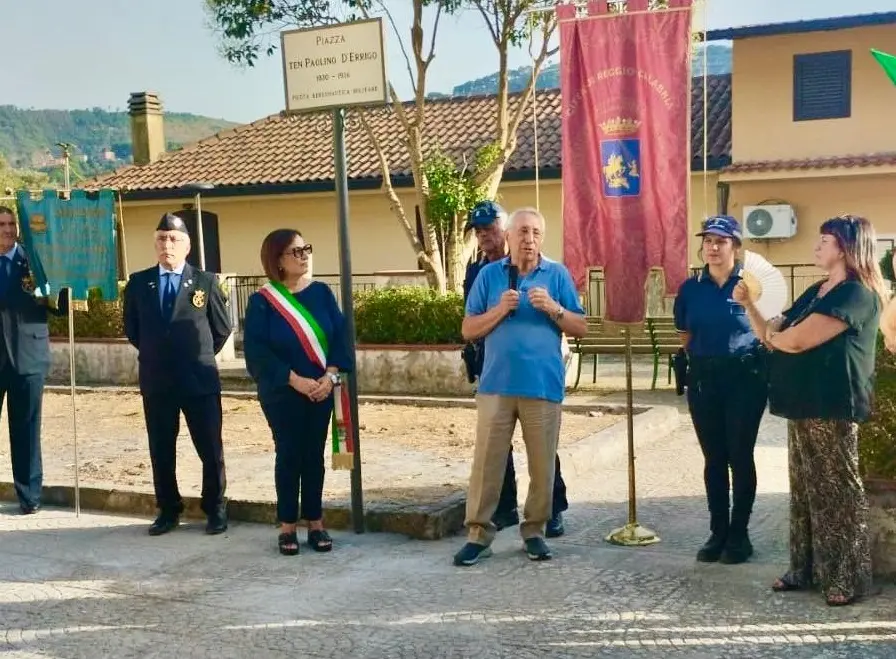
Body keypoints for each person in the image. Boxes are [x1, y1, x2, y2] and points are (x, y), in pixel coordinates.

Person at [737, 215, 887, 607]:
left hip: (832, 403)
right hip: (802, 403)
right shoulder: (818, 290)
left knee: (837, 492)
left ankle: (847, 577)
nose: (817, 247)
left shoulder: (856, 293)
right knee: (805, 491)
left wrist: (778, 334)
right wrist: (751, 306)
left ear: (846, 247)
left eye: (824, 240)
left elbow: (798, 340)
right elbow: (774, 335)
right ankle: (805, 569)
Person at [454, 207, 587, 567]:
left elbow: (581, 327)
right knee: (487, 463)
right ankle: (478, 534)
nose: (529, 239)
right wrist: (499, 310)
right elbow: (468, 329)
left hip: (542, 385)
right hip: (496, 384)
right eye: (522, 232)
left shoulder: (557, 274)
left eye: (535, 233)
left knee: (542, 464)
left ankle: (534, 531)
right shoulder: (488, 276)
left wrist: (554, 309)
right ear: (508, 237)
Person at [243, 229, 352, 556]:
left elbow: (341, 338)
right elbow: (257, 352)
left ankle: (316, 523)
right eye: (295, 251)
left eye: (306, 248)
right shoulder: (263, 302)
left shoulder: (321, 294)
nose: (304, 255)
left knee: (313, 457)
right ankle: (287, 525)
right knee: (289, 455)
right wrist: (295, 380)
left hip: (322, 390)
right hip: (282, 392)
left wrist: (330, 376)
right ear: (277, 260)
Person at [122, 213, 232, 536]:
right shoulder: (140, 283)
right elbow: (133, 329)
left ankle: (215, 508)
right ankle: (168, 509)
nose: (166, 245)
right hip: (157, 380)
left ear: (187, 246)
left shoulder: (205, 282)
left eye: (173, 239)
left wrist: (193, 354)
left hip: (198, 379)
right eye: (161, 238)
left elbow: (222, 328)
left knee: (210, 448)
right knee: (160, 447)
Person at [673, 216, 767, 565]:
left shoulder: (752, 285)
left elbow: (768, 332)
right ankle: (718, 531)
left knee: (739, 455)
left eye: (721, 241)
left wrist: (749, 303)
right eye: (708, 241)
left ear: (736, 247)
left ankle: (739, 534)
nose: (713, 247)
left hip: (745, 377)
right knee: (714, 458)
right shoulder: (691, 288)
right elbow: (685, 335)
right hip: (704, 377)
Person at [0, 206, 68, 514]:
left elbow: (60, 306)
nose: (7, 229)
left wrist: (68, 279)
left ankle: (29, 495)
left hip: (28, 357)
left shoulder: (36, 260)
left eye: (11, 223)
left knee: (26, 429)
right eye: (1, 224)